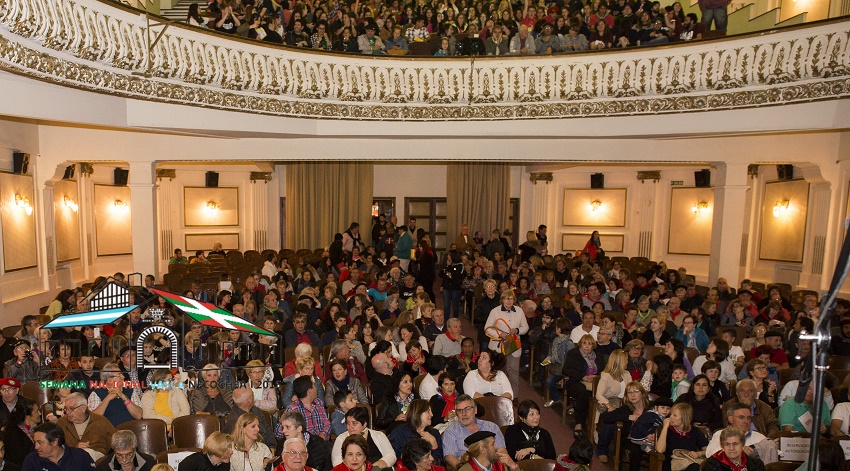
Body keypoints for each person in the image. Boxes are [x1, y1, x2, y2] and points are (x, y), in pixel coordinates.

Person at [441, 395, 506, 470]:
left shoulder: (491, 427)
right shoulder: (450, 432)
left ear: (475, 410)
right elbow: (450, 457)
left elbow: (502, 451)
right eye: (459, 410)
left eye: (467, 409)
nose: (463, 413)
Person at [704, 403, 777, 465]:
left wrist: (774, 446)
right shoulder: (719, 434)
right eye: (741, 417)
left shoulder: (759, 437)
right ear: (730, 419)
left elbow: (772, 457)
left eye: (748, 418)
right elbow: (711, 454)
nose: (746, 421)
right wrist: (740, 451)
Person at [561, 334, 603, 437]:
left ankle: (593, 424)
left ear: (593, 345)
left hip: (593, 382)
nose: (587, 346)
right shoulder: (574, 353)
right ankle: (579, 423)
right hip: (576, 382)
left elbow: (603, 370)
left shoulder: (598, 355)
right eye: (584, 343)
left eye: (589, 344)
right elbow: (566, 370)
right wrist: (582, 376)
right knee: (583, 393)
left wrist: (595, 376)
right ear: (580, 344)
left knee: (593, 393)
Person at [56, 392, 116, 458]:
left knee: (87, 453)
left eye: (71, 408)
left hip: (97, 458)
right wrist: (74, 449)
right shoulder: (62, 423)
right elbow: (56, 446)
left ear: (83, 408)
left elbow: (116, 439)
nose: (67, 412)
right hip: (71, 458)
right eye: (66, 409)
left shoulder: (100, 420)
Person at [21, 422, 95, 471]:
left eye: (40, 442)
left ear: (54, 442)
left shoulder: (80, 456)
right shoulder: (32, 461)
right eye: (35, 442)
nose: (36, 447)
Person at [655, 403, 708, 471]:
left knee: (695, 467)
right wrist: (665, 427)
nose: (670, 417)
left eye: (675, 415)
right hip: (672, 464)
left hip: (689, 463)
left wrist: (699, 453)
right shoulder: (667, 430)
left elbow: (708, 450)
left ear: (684, 418)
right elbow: (660, 450)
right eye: (671, 414)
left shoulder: (695, 431)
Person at [4, 397, 39, 467]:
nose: (40, 413)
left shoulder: (35, 430)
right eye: (37, 411)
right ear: (28, 417)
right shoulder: (15, 435)